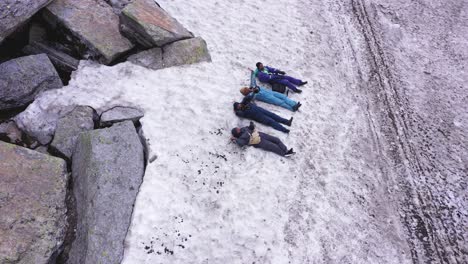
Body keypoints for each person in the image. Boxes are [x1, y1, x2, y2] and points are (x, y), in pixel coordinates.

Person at [231, 122, 295, 156]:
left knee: (276, 139)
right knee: (273, 146)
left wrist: (251, 125)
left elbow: (251, 128)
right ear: (237, 133)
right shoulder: (241, 138)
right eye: (237, 129)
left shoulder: (243, 129)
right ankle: (284, 154)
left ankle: (286, 150)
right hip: (259, 142)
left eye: (237, 128)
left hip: (261, 135)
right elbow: (241, 143)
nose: (238, 128)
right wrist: (235, 139)